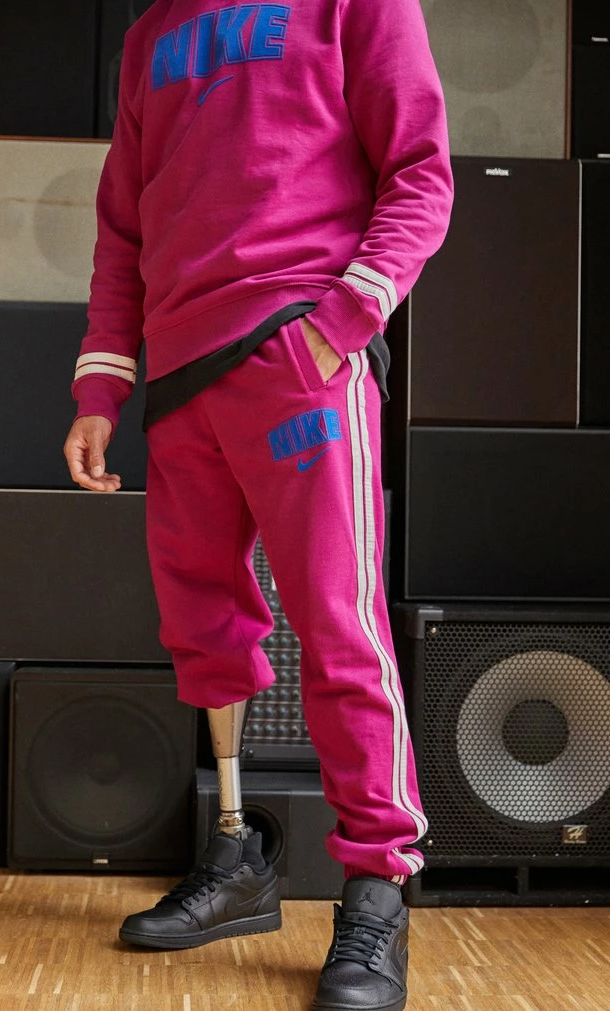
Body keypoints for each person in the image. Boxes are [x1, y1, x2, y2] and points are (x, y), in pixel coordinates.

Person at [64, 1, 453, 1007]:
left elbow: (420, 170)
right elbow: (122, 227)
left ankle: (377, 890)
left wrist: (344, 318)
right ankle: (236, 854)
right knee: (203, 630)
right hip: (179, 378)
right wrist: (102, 388)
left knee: (337, 624)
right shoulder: (150, 35)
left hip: (297, 349)